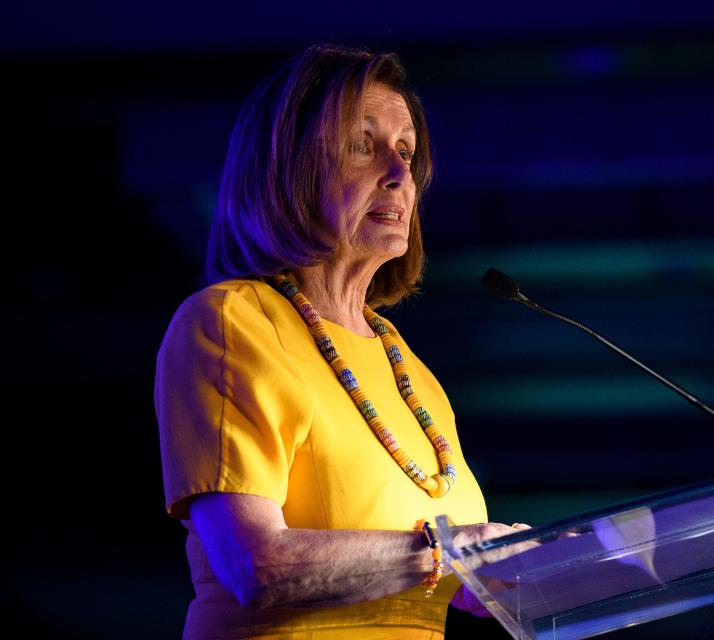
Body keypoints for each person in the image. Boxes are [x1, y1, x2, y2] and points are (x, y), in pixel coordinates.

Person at [155, 44, 521, 639]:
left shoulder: (409, 370)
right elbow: (256, 567)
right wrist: (449, 553)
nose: (401, 173)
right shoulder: (229, 322)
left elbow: (460, 589)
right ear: (288, 168)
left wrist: (541, 567)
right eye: (363, 145)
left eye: (406, 151)